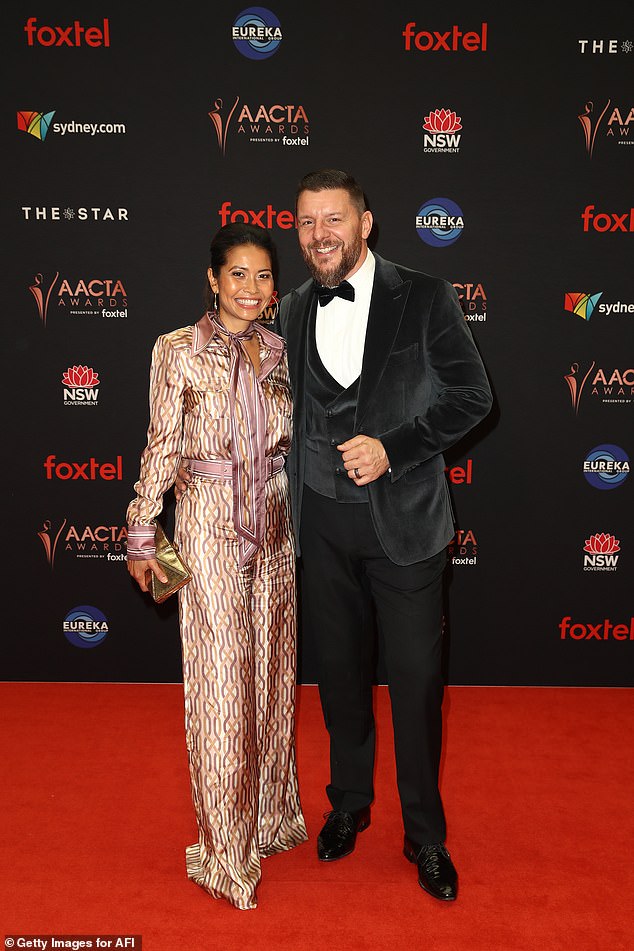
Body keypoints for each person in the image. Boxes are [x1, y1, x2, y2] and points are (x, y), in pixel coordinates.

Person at [177, 169, 493, 901]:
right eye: (308, 222)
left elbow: (473, 395)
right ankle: (347, 804)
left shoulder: (425, 295)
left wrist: (396, 445)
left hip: (407, 526)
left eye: (334, 220)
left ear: (366, 223)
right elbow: (229, 385)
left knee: (415, 686)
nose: (320, 234)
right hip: (317, 526)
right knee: (343, 680)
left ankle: (425, 836)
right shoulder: (285, 309)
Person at [126, 222, 307, 911]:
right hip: (205, 529)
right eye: (238, 274)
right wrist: (144, 531)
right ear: (212, 278)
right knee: (222, 690)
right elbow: (161, 446)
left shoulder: (282, 351)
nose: (251, 289)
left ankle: (270, 818)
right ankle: (225, 851)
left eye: (263, 276)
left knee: (271, 679)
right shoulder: (177, 349)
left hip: (278, 525)